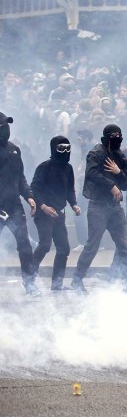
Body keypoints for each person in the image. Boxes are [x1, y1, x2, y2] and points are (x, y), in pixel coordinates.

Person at [72, 124, 127, 293]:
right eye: (113, 135)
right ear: (106, 137)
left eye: (119, 135)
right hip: (98, 206)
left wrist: (118, 172)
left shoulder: (120, 156)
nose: (117, 138)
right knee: (92, 245)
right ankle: (77, 279)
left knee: (124, 246)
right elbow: (91, 173)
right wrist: (111, 185)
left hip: (115, 208)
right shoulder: (96, 153)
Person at [30, 136, 81, 291]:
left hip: (59, 213)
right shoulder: (44, 167)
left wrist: (74, 204)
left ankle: (57, 284)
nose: (65, 151)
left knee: (64, 248)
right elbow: (34, 188)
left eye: (67, 148)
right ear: (53, 149)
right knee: (45, 245)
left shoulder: (69, 168)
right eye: (61, 148)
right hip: (43, 213)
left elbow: (70, 190)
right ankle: (29, 278)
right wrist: (43, 206)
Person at [0, 112, 39, 296]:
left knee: (24, 245)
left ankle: (30, 283)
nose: (5, 129)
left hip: (14, 206)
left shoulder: (14, 149)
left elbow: (20, 177)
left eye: (7, 126)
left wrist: (29, 196)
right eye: (2, 126)